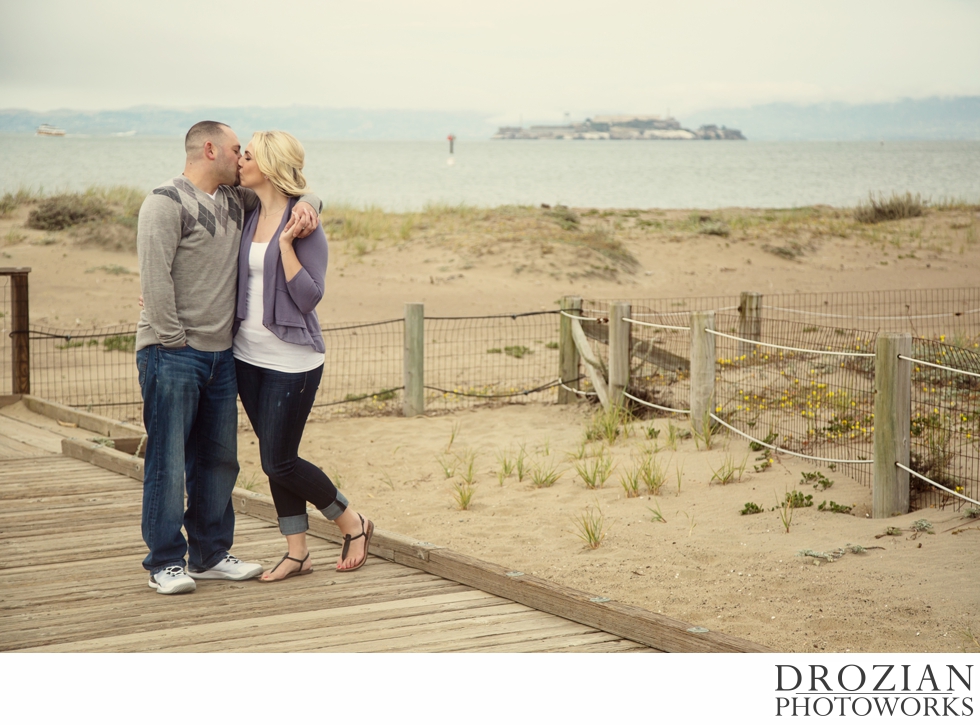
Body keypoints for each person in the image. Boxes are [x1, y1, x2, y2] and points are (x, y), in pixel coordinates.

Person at [136, 121, 321, 594]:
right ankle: (164, 562)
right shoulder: (164, 203)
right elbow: (154, 282)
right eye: (237, 150)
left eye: (247, 153)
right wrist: (176, 340)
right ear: (210, 148)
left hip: (223, 357)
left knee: (219, 461)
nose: (242, 158)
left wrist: (309, 208)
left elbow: (292, 196)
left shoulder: (238, 201)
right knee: (167, 458)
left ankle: (210, 554)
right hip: (173, 352)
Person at [233, 130, 373, 581]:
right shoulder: (248, 208)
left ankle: (351, 521)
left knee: (279, 461)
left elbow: (310, 297)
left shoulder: (304, 223)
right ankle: (297, 552)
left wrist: (288, 247)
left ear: (269, 164)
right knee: (277, 454)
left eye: (248, 155)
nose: (239, 161)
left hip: (292, 360)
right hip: (245, 355)